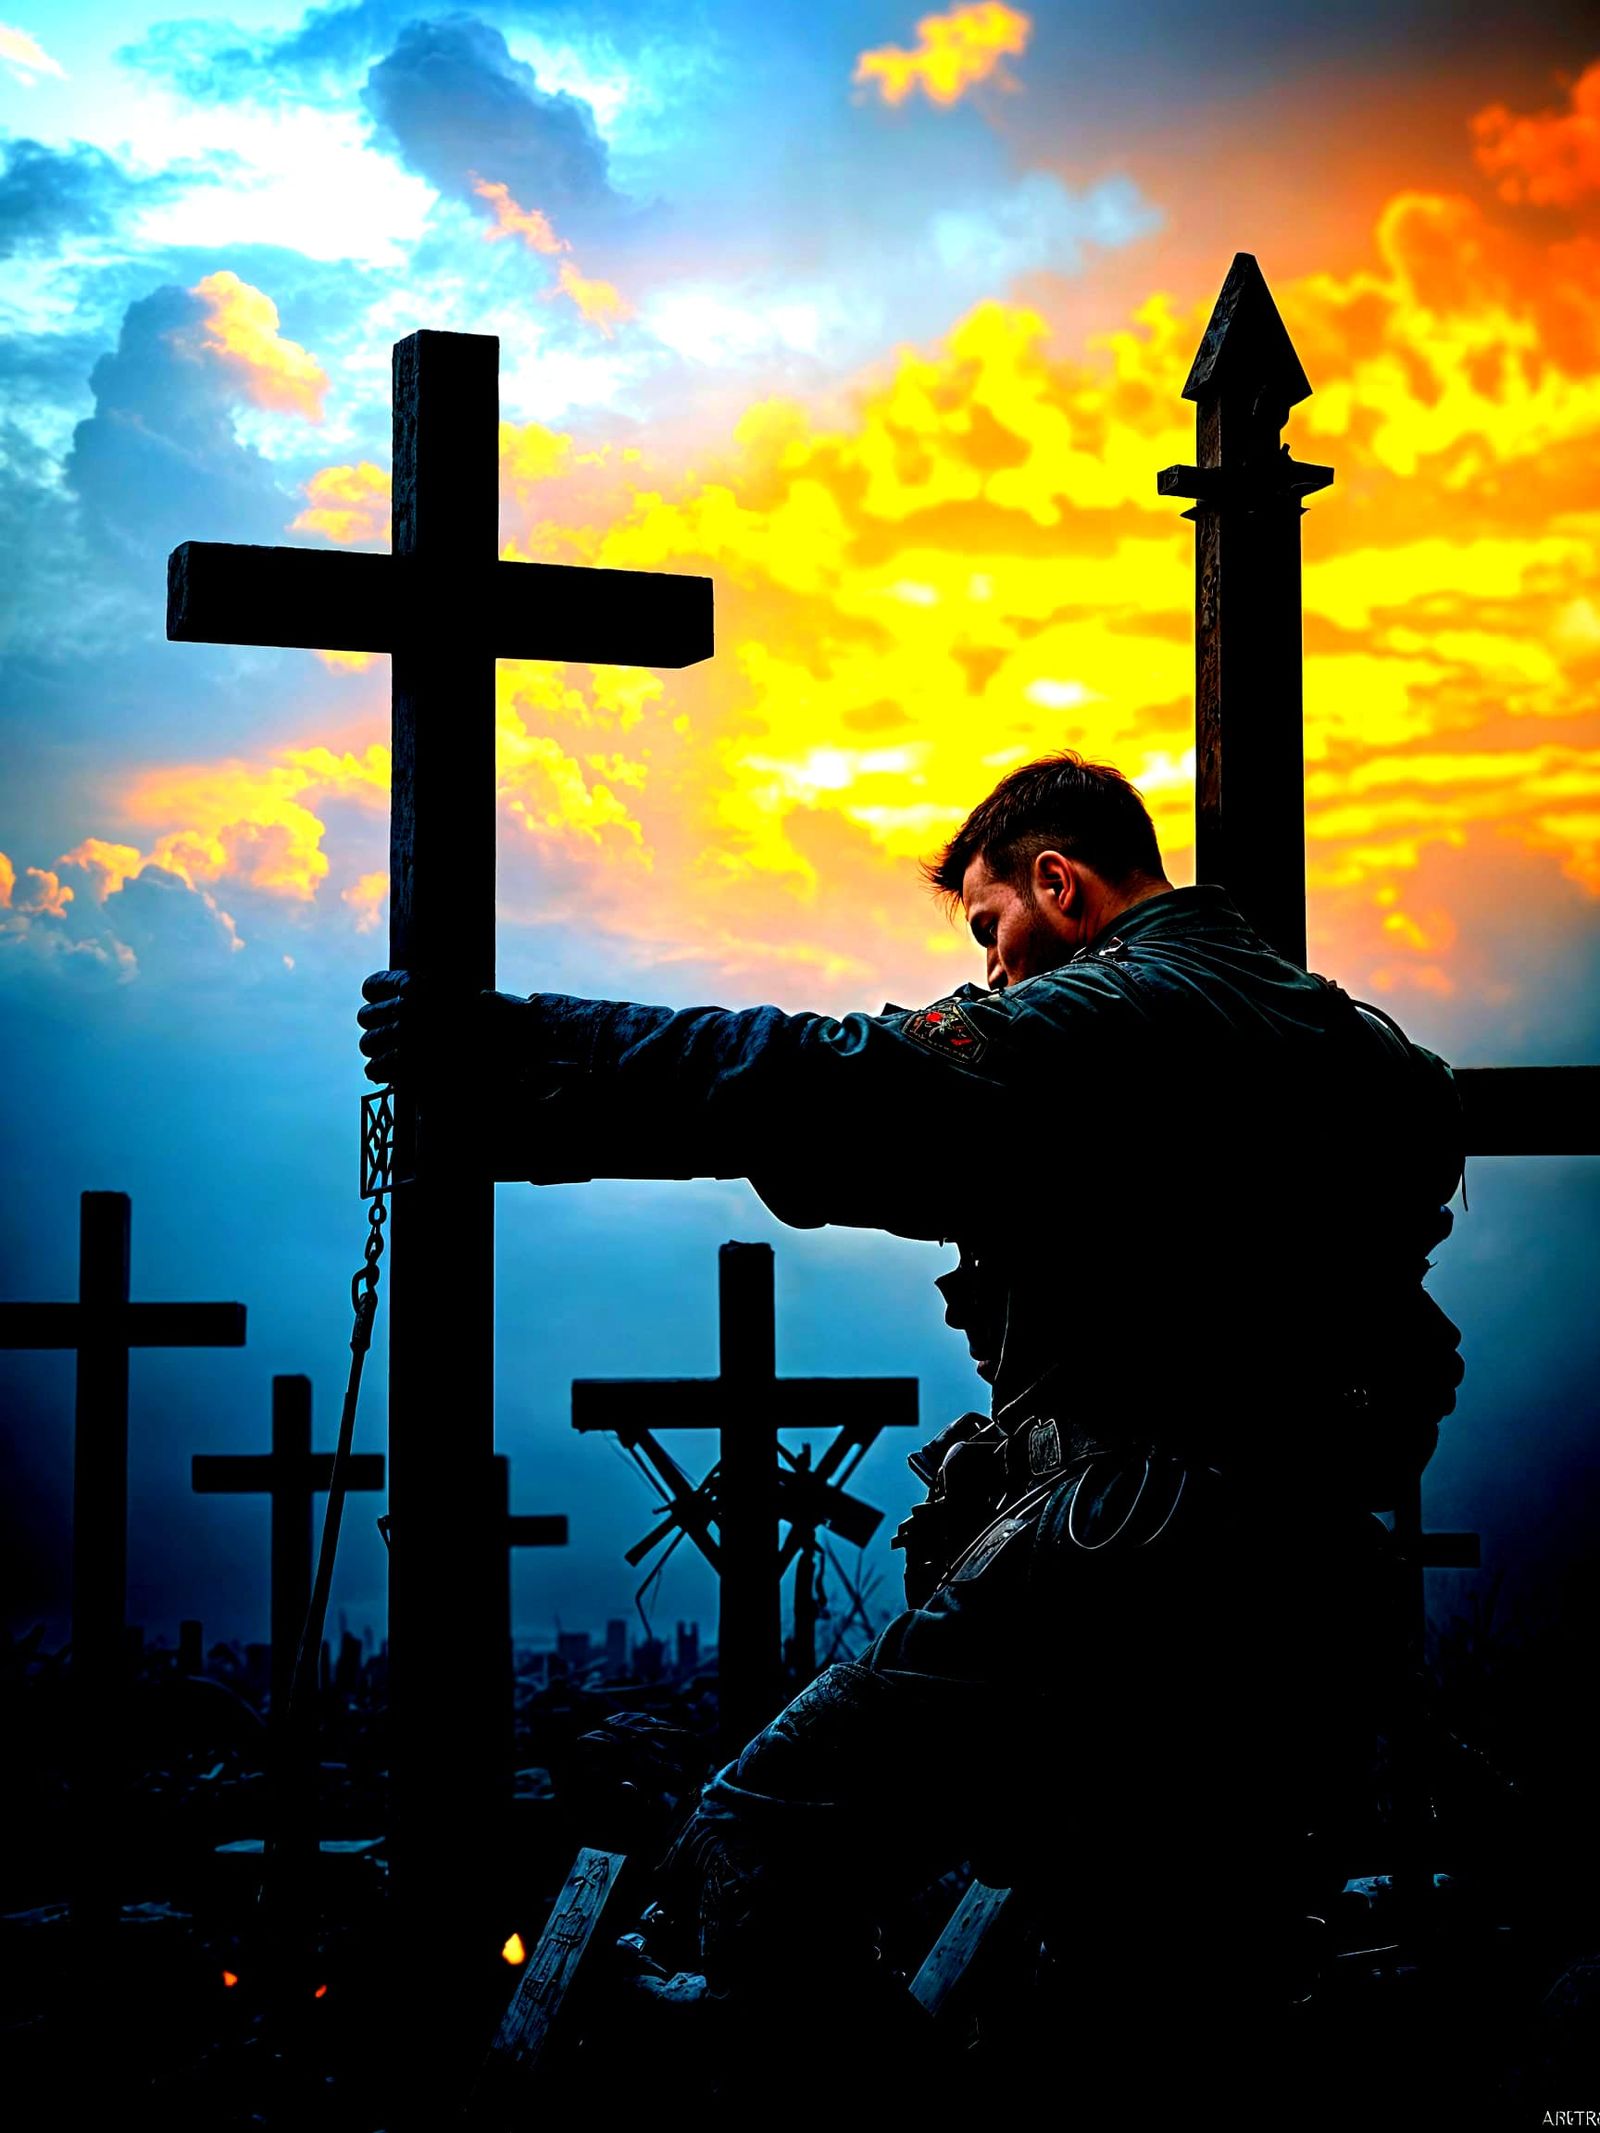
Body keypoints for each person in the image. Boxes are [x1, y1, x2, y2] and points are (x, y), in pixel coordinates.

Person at [358, 751, 1465, 2100]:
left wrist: (522, 1053)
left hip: (1126, 1554)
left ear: (1060, 884)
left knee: (765, 1835)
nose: (994, 972)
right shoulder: (1358, 1048)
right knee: (1177, 1973)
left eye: (992, 928)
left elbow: (832, 1076)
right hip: (1315, 1586)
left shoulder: (1112, 1013)